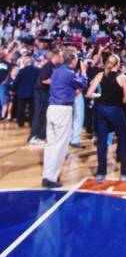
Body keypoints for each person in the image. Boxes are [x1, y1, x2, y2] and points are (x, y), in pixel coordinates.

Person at [86, 54, 126, 182]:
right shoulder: (122, 78)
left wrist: (100, 96)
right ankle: (125, 173)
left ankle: (101, 174)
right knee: (123, 140)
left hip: (101, 110)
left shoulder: (99, 75)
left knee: (102, 142)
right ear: (117, 64)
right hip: (115, 110)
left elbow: (88, 94)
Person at [42, 50, 88, 189]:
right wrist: (84, 71)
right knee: (60, 146)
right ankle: (51, 177)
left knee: (51, 144)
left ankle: (47, 175)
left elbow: (66, 87)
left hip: (52, 108)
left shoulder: (56, 71)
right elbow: (83, 84)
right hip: (62, 110)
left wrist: (72, 91)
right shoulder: (69, 73)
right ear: (73, 61)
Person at [29, 49, 63, 144]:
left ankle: (40, 136)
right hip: (40, 93)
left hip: (44, 93)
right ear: (55, 56)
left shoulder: (54, 67)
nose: (61, 58)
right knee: (39, 114)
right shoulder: (47, 66)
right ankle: (34, 136)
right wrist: (59, 82)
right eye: (60, 56)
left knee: (44, 115)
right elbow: (44, 80)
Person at [11, 55, 39, 128]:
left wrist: (13, 89)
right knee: (32, 109)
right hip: (33, 92)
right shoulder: (37, 70)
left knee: (21, 108)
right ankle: (31, 123)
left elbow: (17, 81)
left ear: (26, 63)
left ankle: (20, 123)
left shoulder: (22, 71)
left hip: (22, 92)